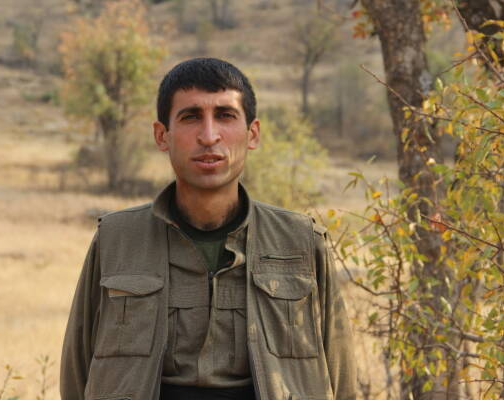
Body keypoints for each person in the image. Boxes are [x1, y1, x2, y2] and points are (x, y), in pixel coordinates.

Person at [60, 57, 357, 400]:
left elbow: (341, 380)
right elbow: (76, 374)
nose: (209, 136)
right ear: (162, 136)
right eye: (190, 117)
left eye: (225, 116)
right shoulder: (117, 239)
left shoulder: (301, 241)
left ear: (252, 134)